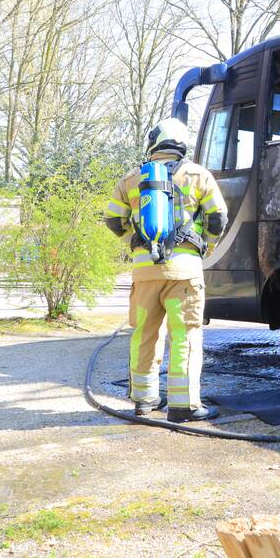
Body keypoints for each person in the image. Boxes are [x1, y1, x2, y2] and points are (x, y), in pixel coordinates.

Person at [104, 118, 228, 423]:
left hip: (144, 274)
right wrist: (205, 247)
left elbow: (112, 219)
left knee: (144, 334)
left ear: (153, 143)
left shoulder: (132, 179)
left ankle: (144, 401)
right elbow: (218, 218)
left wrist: (133, 244)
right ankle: (183, 405)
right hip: (184, 273)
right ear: (181, 143)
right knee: (184, 335)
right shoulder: (198, 175)